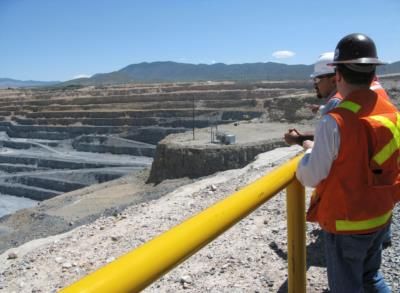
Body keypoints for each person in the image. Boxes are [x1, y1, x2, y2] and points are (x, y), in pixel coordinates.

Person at [296, 33, 400, 292]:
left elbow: (311, 176)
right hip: (381, 214)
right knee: (370, 277)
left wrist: (308, 153)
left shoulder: (337, 121)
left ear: (338, 75)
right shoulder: (391, 111)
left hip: (347, 222)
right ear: (372, 71)